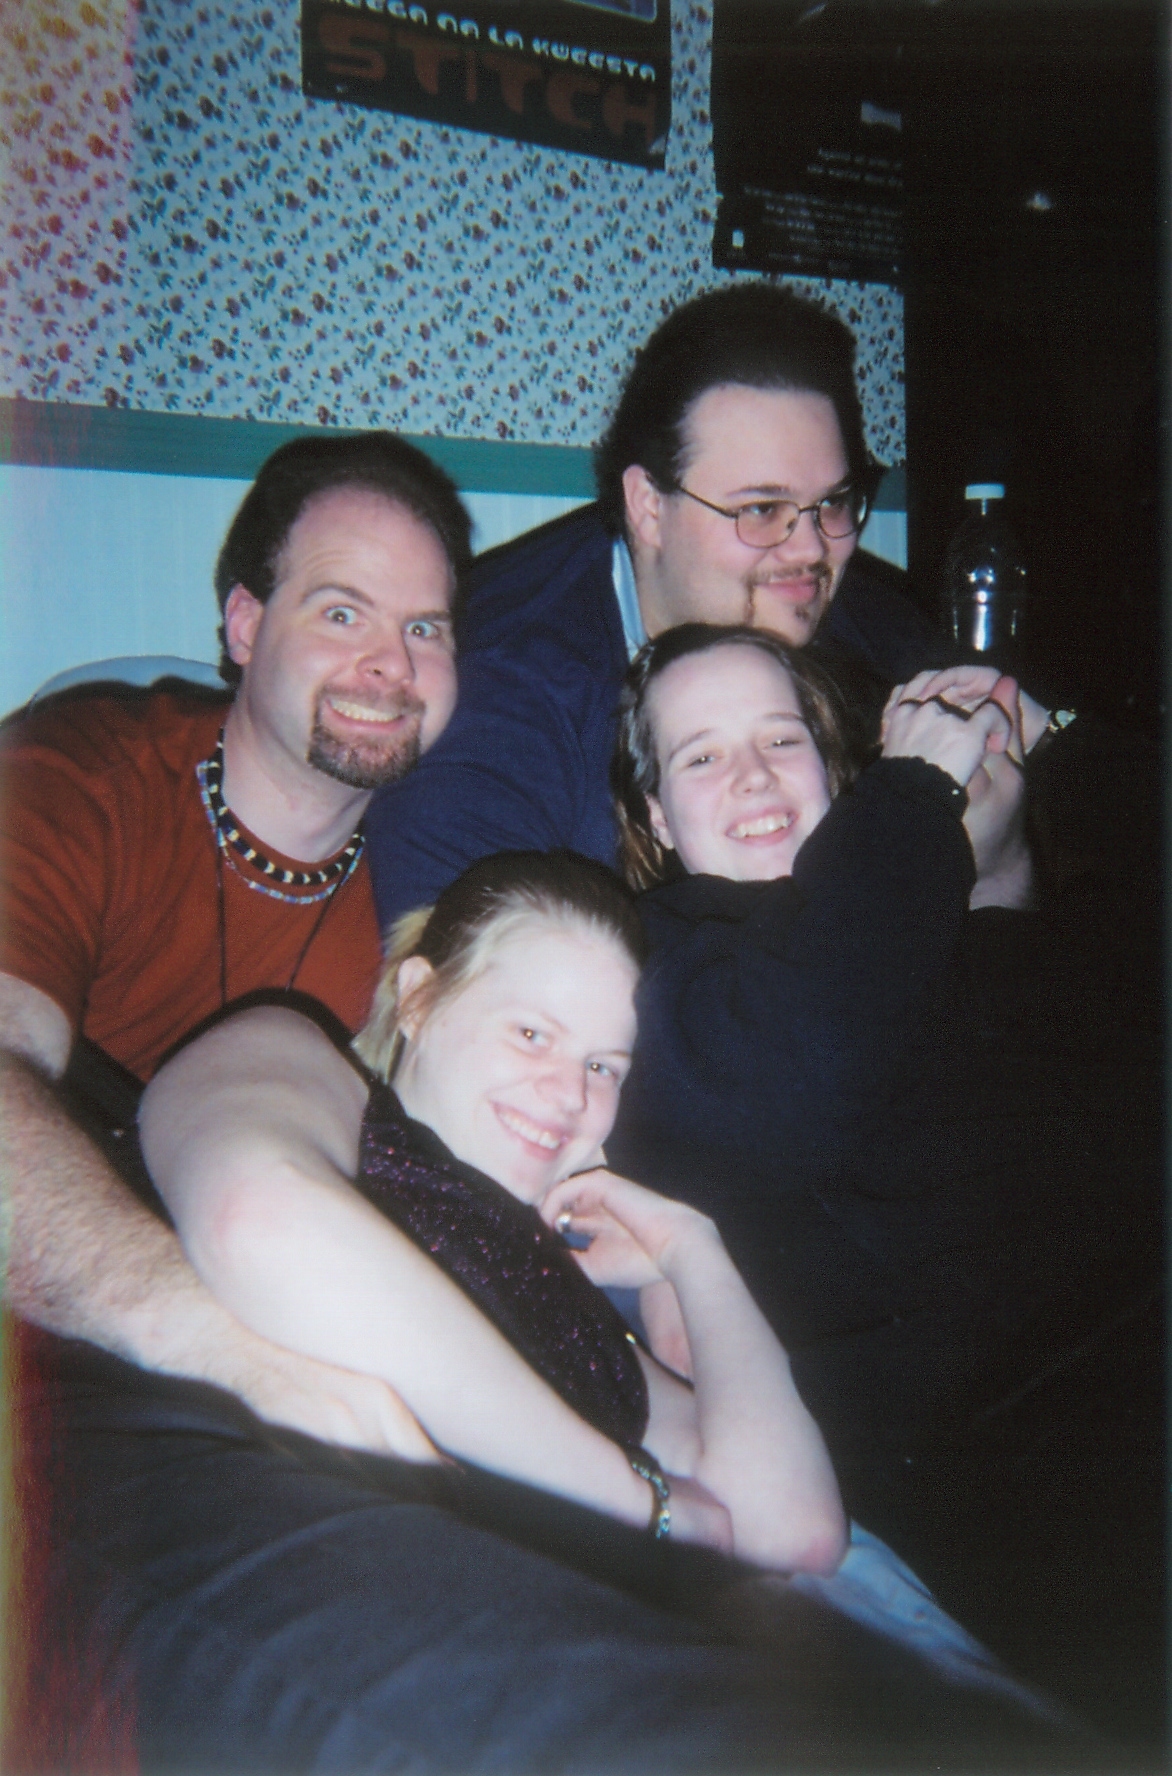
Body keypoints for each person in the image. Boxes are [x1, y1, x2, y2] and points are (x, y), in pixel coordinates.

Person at [20, 855, 1073, 1772]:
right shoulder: (305, 1062)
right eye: (531, 1032)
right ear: (419, 999)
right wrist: (630, 1501)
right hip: (309, 1604)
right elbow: (259, 1215)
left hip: (622, 1643)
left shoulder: (568, 1299)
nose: (567, 1094)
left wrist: (693, 1251)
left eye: (602, 1066)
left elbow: (791, 1527)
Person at [603, 624, 1164, 1742]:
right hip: (1012, 1500)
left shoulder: (933, 917)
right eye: (701, 756)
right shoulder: (667, 962)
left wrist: (1046, 755)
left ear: (831, 764)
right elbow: (793, 1075)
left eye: (782, 738)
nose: (753, 775)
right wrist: (913, 794)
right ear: (656, 818)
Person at [0, 429, 469, 1448]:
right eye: (341, 612)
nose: (391, 664)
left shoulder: (439, 883)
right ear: (246, 624)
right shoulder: (78, 777)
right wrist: (220, 1348)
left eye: (424, 628)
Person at [365, 283, 981, 928]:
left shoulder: (856, 620)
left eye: (832, 502)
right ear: (649, 507)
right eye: (761, 509)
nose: (812, 549)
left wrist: (996, 844)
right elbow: (465, 980)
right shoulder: (497, 695)